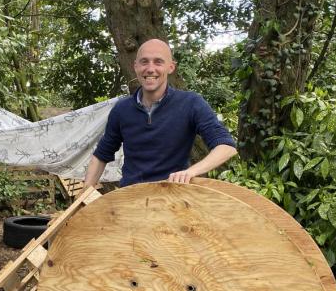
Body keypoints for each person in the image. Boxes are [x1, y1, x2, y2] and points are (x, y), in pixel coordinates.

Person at [84, 38, 237, 187]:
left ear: (171, 67)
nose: (150, 69)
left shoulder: (191, 103)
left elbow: (226, 147)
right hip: (131, 200)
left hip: (173, 198)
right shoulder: (121, 109)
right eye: (144, 61)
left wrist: (190, 172)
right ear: (135, 66)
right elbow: (101, 155)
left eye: (158, 62)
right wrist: (84, 197)